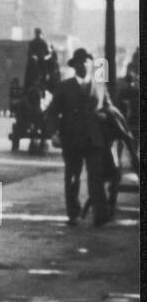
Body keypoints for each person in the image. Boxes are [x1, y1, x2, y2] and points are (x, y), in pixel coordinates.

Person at [43, 48, 111, 227]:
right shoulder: (65, 87)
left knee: (96, 176)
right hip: (71, 139)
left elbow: (109, 108)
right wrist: (53, 133)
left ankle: (100, 215)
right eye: (80, 62)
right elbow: (51, 113)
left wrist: (105, 115)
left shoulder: (100, 86)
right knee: (72, 177)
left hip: (93, 139)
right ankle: (73, 213)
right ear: (74, 66)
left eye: (86, 62)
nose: (84, 65)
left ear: (90, 64)